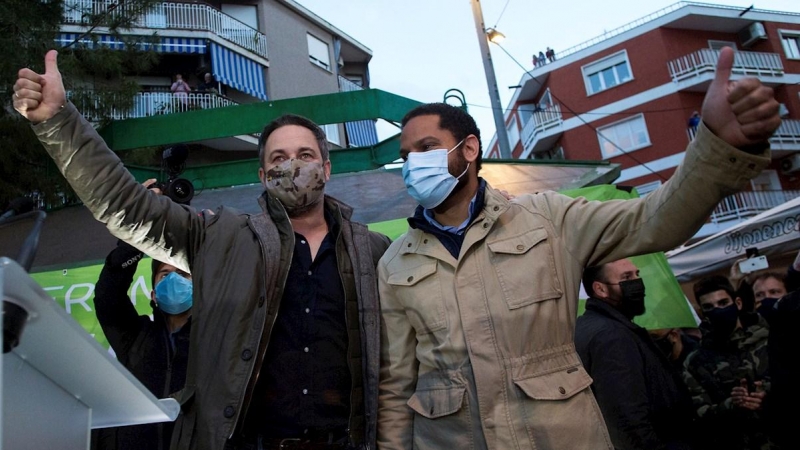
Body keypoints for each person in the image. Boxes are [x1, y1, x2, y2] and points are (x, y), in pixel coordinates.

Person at [376, 46, 778, 450]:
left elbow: (655, 220)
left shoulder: (548, 219)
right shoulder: (396, 261)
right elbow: (396, 386)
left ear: (469, 149)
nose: (413, 164)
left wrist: (717, 145)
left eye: (427, 148)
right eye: (405, 156)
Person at [13, 50, 391, 450]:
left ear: (327, 168)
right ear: (262, 176)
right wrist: (58, 119)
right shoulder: (219, 237)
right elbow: (127, 205)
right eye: (279, 158)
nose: (293, 166)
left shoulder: (373, 252)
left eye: (305, 155)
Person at [576, 259, 695, 450]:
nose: (638, 282)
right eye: (627, 277)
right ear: (601, 289)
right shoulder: (611, 336)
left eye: (637, 274)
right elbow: (627, 419)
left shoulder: (603, 327)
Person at [92, 237, 192, 450]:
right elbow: (107, 296)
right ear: (154, 295)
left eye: (183, 274)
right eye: (165, 274)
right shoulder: (135, 336)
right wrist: (141, 237)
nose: (174, 279)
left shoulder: (214, 341)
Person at [683, 275, 770, 450]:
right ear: (702, 312)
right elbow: (699, 413)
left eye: (723, 303)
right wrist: (733, 404)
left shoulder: (771, 340)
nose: (717, 310)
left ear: (737, 303)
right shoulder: (696, 362)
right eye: (709, 307)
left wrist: (766, 393)